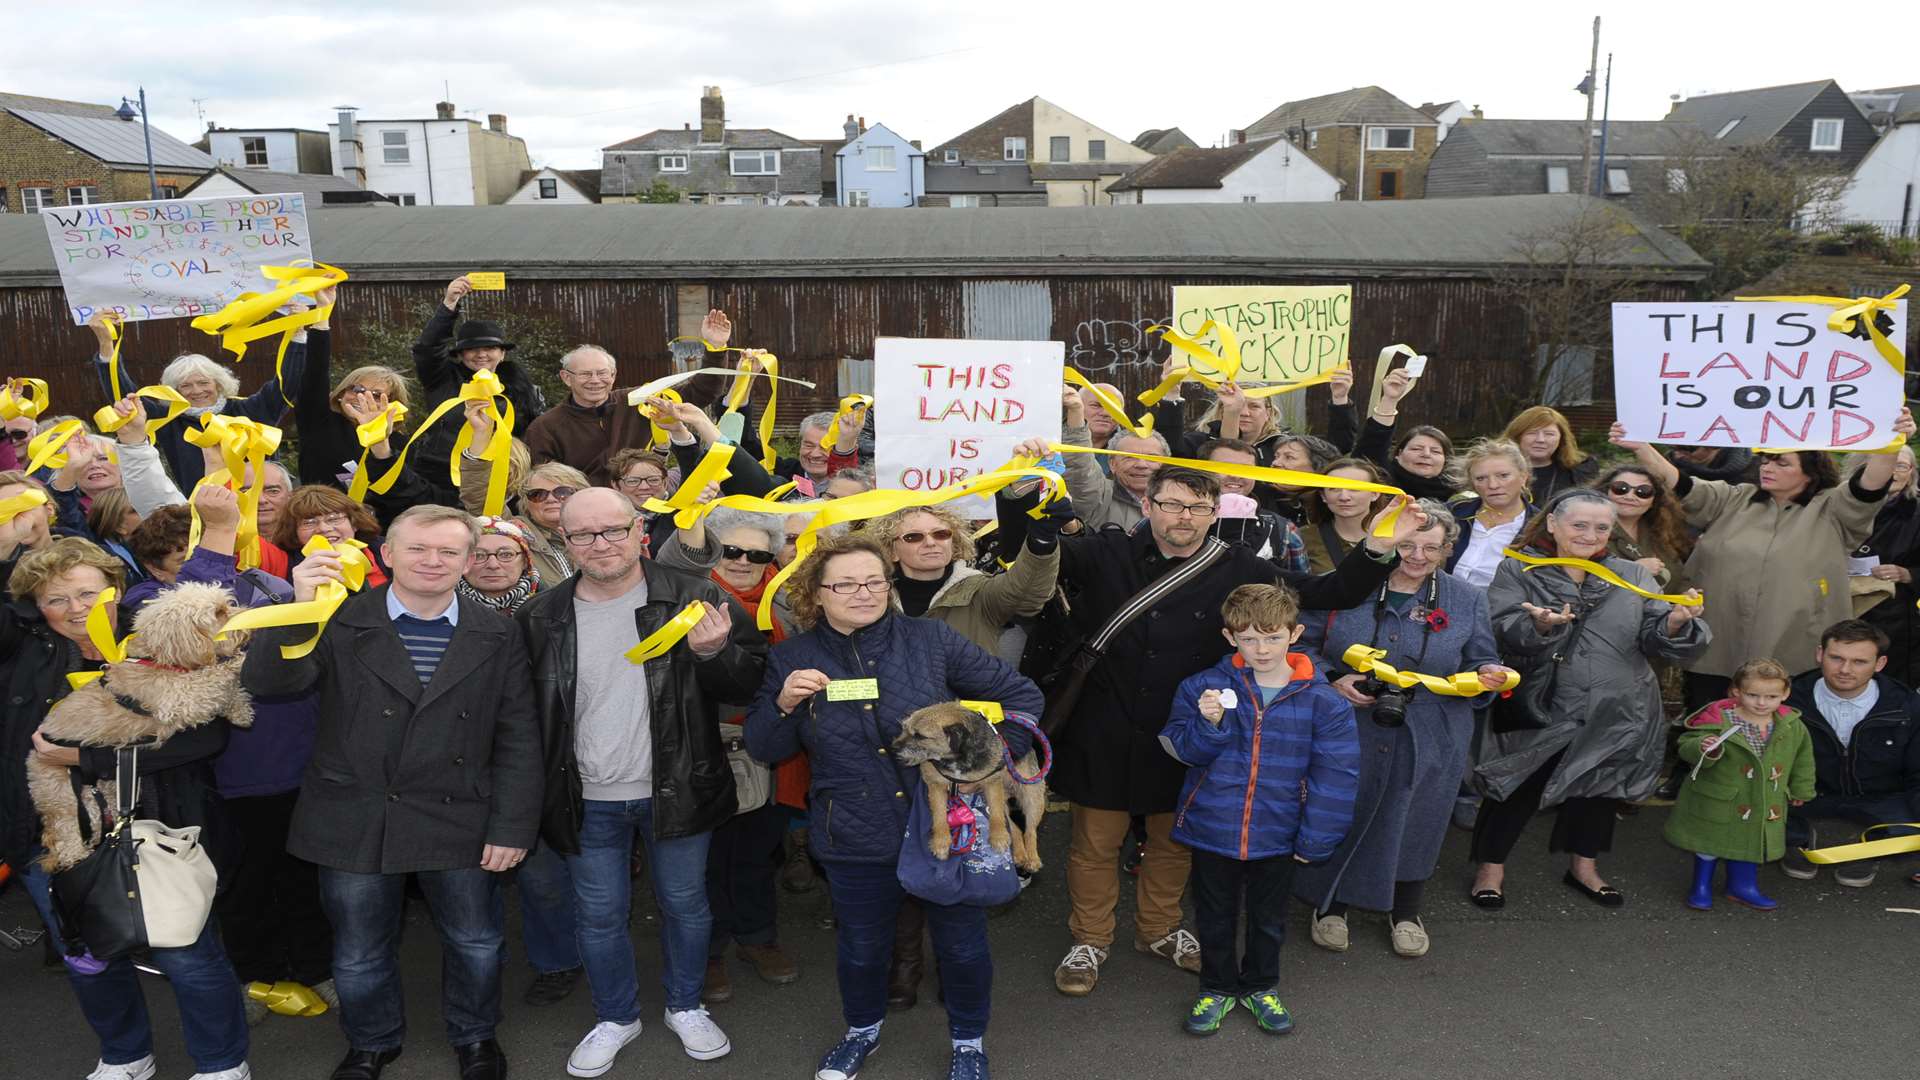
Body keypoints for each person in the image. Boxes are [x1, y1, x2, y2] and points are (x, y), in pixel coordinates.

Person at [1045, 462, 1426, 998]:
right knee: (1093, 843)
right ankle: (1089, 938)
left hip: (1195, 724)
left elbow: (1328, 591)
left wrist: (1378, 545)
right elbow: (1031, 556)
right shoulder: (1102, 552)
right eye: (1173, 504)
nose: (1185, 517)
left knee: (1172, 842)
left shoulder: (1234, 563)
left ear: (1214, 513)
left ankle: (1158, 929)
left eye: (1199, 507)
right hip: (1104, 723)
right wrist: (1023, 498)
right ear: (1148, 505)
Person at [240, 504, 543, 1080]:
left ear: (467, 560)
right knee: (358, 950)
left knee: (476, 942)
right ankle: (370, 1043)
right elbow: (269, 683)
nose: (433, 561)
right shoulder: (336, 617)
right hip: (354, 809)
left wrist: (511, 826)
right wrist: (293, 608)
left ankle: (476, 1036)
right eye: (418, 549)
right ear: (386, 554)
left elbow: (519, 734)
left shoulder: (498, 631)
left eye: (449, 551)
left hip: (460, 811)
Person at [745, 531, 1042, 1080]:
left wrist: (987, 763)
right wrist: (784, 703)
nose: (864, 593)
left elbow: (1021, 696)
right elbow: (766, 748)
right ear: (816, 591)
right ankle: (861, 1031)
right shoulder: (793, 656)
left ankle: (969, 1043)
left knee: (962, 947)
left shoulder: (930, 640)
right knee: (862, 950)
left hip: (943, 823)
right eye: (846, 584)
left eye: (874, 581)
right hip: (853, 827)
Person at [515, 488, 766, 1075]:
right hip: (585, 798)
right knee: (598, 915)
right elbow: (524, 714)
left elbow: (748, 684)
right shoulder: (540, 616)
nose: (599, 544)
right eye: (583, 535)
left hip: (676, 787)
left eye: (612, 530)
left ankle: (686, 1005)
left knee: (686, 905)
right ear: (565, 542)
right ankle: (615, 1016)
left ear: (640, 533)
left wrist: (715, 652)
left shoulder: (696, 596)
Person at [7, 535, 254, 1080]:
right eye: (56, 599)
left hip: (163, 823)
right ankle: (124, 1056)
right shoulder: (21, 652)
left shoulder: (164, 637)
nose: (75, 609)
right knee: (87, 956)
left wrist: (86, 757)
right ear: (35, 607)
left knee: (188, 953)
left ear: (115, 591)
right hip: (50, 829)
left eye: (87, 594)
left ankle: (221, 1064)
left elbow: (204, 739)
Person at [123, 486, 332, 1027]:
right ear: (159, 565)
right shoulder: (146, 602)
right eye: (184, 560)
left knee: (305, 877)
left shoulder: (268, 583)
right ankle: (251, 974)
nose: (207, 571)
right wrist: (213, 535)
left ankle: (315, 966)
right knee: (242, 882)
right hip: (234, 773)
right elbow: (192, 623)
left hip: (302, 759)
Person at [860, 491, 1065, 1009]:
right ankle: (904, 968)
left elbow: (1027, 593)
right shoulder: (868, 598)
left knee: (965, 861)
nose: (930, 543)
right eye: (914, 536)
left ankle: (958, 976)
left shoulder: (979, 592)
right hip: (895, 753)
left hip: (968, 757)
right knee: (904, 862)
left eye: (940, 533)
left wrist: (1041, 541)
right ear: (890, 547)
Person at [1470, 489, 1709, 908]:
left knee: (1601, 787)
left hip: (1619, 703)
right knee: (1516, 782)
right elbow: (1501, 626)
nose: (1590, 534)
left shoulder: (1632, 575)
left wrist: (1673, 622)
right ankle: (1490, 868)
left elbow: (1656, 638)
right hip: (1545, 702)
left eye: (1601, 527)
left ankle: (1584, 866)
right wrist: (1540, 627)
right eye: (1579, 525)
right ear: (1552, 524)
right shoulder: (1520, 569)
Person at [1296, 500, 1512, 957]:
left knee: (1420, 816)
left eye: (1431, 548)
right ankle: (1330, 903)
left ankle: (1407, 908)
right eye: (1407, 544)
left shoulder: (1466, 598)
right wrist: (1334, 679)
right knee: (1341, 809)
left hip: (1432, 727)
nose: (1416, 556)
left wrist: (1489, 674)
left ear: (1448, 550)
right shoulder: (1345, 585)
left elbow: (1479, 658)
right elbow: (1302, 646)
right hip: (1348, 721)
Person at [1614, 408, 1916, 711]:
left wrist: (1890, 442)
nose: (1767, 467)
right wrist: (1641, 446)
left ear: (1810, 471)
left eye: (1781, 461)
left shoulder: (1834, 508)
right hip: (1718, 646)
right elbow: (1681, 483)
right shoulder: (1735, 498)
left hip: (1794, 651)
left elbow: (1870, 485)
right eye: (1765, 459)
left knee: (1783, 734)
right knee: (1708, 725)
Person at [1159, 584, 1359, 1036]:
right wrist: (1207, 725)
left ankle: (1262, 985)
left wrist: (1317, 838)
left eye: (1271, 636)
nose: (1261, 648)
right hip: (1213, 826)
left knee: (1269, 919)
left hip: (1281, 831)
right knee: (1213, 915)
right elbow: (1182, 750)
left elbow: (1337, 777)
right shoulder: (1201, 688)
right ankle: (1216, 986)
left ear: (1295, 634)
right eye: (1248, 638)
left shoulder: (1323, 701)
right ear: (1230, 638)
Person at [662, 506, 803, 1005]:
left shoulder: (787, 603)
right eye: (732, 550)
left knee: (757, 850)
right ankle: (711, 950)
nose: (744, 561)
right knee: (706, 854)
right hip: (697, 744)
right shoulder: (679, 595)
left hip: (768, 746)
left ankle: (758, 937)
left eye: (759, 553)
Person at [86, 311, 302, 490]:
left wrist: (297, 332)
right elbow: (128, 400)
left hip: (264, 506)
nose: (196, 391)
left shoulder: (249, 409)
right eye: (185, 386)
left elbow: (287, 383)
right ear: (173, 392)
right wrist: (106, 345)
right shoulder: (170, 421)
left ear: (218, 384)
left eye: (203, 382)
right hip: (204, 513)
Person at [1665, 658, 1814, 911]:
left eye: (1771, 696)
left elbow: (1803, 759)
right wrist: (1705, 750)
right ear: (1736, 691)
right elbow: (1687, 747)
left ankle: (1742, 887)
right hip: (1720, 798)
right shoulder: (1717, 720)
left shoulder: (1792, 726)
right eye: (1753, 694)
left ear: (1785, 694)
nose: (1761, 703)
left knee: (1750, 841)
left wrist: (1801, 789)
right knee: (1709, 842)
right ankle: (1701, 886)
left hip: (1762, 798)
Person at [1782, 620, 1920, 889]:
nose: (1845, 670)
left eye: (1859, 662)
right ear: (1820, 654)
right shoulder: (1786, 699)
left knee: (1912, 829)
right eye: (1836, 658)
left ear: (1879, 664)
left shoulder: (1907, 706)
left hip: (1881, 796)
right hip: (1806, 794)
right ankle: (1796, 840)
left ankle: (1868, 848)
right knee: (1751, 809)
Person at [411, 276, 549, 505]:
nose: (481, 354)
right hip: (443, 478)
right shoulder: (441, 379)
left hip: (505, 479)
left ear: (502, 353)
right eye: (472, 349)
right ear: (460, 354)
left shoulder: (524, 388)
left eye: (490, 348)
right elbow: (427, 349)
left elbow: (536, 431)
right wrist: (449, 304)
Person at [1326, 366, 1460, 501]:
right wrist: (1390, 399)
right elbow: (1374, 441)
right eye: (1416, 448)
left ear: (1446, 460)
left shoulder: (1461, 499)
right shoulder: (1380, 481)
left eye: (1435, 451)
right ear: (1398, 455)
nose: (1426, 454)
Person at [1060, 385, 1166, 532]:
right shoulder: (1102, 494)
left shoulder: (1177, 502)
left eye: (1152, 458)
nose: (1141, 464)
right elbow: (1080, 469)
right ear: (1112, 464)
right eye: (1096, 405)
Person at [1858, 447, 1920, 685]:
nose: (1893, 471)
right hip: (1837, 606)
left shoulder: (1916, 513)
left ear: (1911, 473)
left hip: (1893, 619)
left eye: (1902, 465)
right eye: (1885, 462)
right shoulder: (1841, 506)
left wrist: (1907, 574)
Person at [1199, 438, 1308, 572]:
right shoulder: (1179, 517)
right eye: (1225, 467)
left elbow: (1301, 587)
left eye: (1246, 469)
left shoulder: (1282, 529)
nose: (1235, 475)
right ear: (1201, 470)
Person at [1444, 439, 1533, 588]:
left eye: (1503, 475)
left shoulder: (1540, 526)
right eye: (1481, 478)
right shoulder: (1452, 513)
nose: (1493, 485)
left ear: (1523, 477)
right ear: (1472, 484)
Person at [269, 486, 391, 588]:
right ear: (294, 532)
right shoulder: (282, 568)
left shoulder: (388, 550)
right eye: (309, 522)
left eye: (334, 519)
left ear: (354, 523)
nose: (323, 528)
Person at [1599, 464, 1694, 590]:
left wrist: (1685, 597)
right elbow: (1581, 582)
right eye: (1620, 489)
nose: (1629, 497)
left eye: (1643, 492)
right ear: (1605, 492)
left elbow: (1679, 577)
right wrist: (1632, 571)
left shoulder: (1662, 532)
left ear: (1654, 501)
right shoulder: (1587, 533)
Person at [1302, 457, 1387, 574]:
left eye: (1355, 489)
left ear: (1375, 494)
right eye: (1334, 489)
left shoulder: (1395, 535)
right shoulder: (1303, 538)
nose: (1344, 497)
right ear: (1323, 496)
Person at [1504, 405, 1596, 503]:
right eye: (1532, 433)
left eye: (1549, 434)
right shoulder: (1494, 469)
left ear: (1562, 438)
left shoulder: (1579, 472)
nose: (1540, 440)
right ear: (1517, 436)